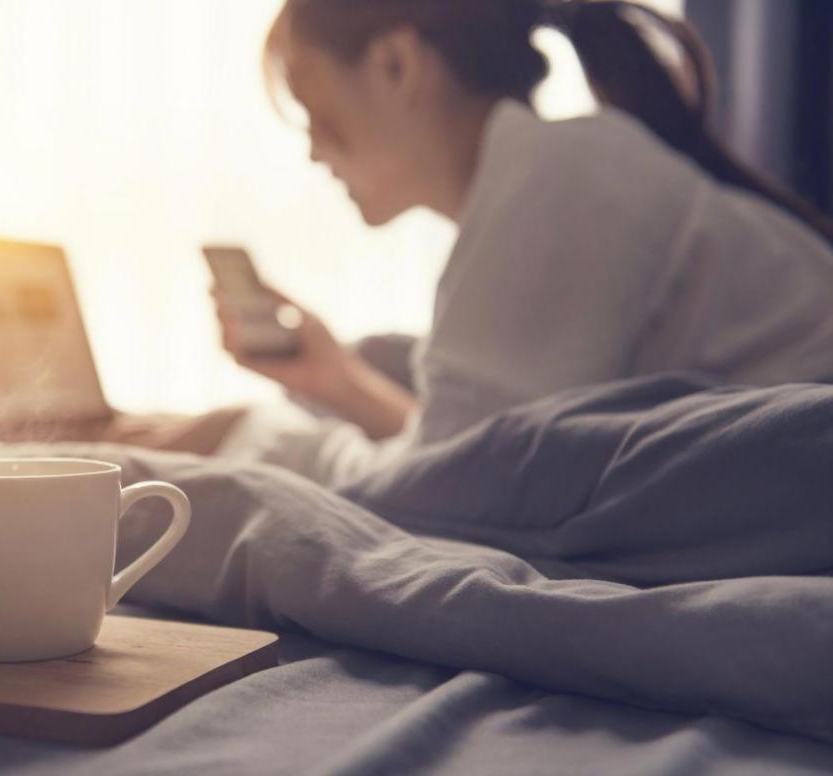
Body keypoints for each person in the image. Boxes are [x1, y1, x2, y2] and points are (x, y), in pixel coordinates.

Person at [108, 0, 833, 489]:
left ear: (397, 64)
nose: (312, 151)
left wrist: (247, 436)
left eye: (313, 108)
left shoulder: (561, 179)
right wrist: (336, 381)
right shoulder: (551, 176)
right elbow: (474, 455)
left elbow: (447, 496)